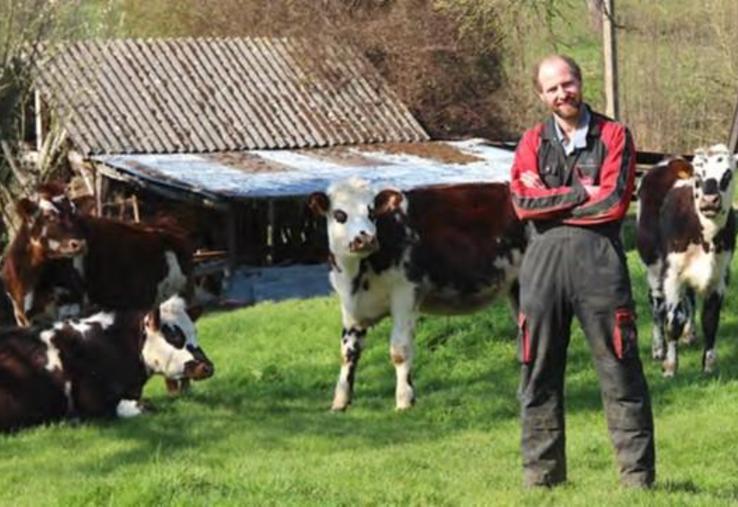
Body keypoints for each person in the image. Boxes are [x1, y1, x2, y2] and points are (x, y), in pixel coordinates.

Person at [509, 54, 655, 488]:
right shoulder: (531, 141)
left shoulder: (615, 135)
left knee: (621, 372)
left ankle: (638, 483)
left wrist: (551, 200)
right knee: (537, 375)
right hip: (541, 270)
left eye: (567, 84)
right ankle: (542, 482)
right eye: (552, 88)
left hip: (600, 268)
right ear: (541, 95)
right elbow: (521, 204)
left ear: (580, 82)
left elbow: (612, 202)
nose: (562, 94)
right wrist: (579, 193)